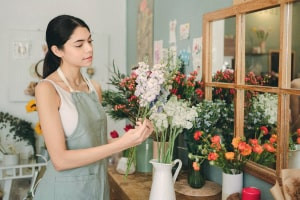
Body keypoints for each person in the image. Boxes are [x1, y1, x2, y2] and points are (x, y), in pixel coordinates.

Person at [33, 15, 153, 200]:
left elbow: (96, 145)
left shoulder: (93, 87)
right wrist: (122, 144)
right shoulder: (47, 89)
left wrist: (133, 138)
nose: (89, 48)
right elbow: (60, 160)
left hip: (97, 189)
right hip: (64, 193)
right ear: (57, 50)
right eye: (79, 44)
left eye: (90, 41)